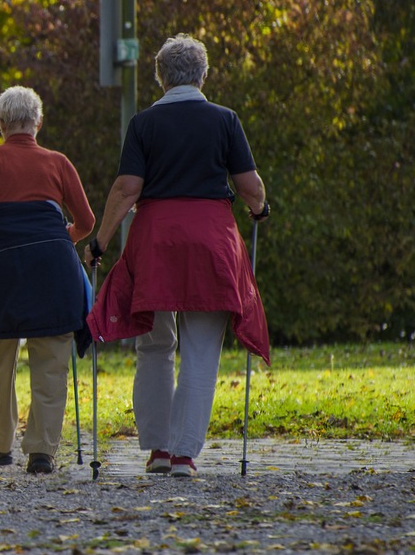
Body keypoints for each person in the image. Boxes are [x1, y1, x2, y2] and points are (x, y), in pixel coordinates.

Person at [83, 34, 271, 478]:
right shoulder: (225, 120)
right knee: (202, 348)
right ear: (203, 75)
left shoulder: (143, 123)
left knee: (153, 343)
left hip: (155, 241)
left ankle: (158, 450)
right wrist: (259, 210)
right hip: (211, 240)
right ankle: (186, 454)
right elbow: (250, 186)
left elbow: (127, 189)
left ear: (160, 78)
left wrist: (100, 242)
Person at [0, 86, 95, 475]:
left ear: (1, 124)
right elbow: (86, 222)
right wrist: (60, 239)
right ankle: (41, 452)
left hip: (3, 268)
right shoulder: (58, 162)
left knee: (3, 354)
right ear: (38, 123)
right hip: (53, 269)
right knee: (52, 359)